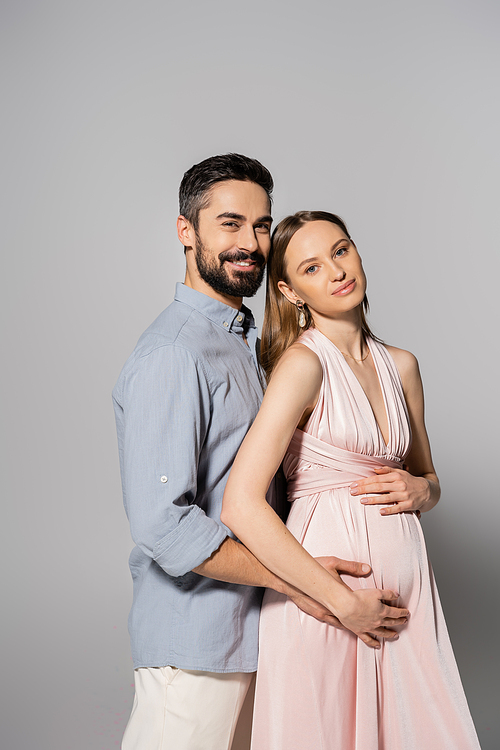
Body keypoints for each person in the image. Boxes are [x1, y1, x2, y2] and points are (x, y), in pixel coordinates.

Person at [112, 160, 408, 750]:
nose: (250, 244)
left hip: (267, 640)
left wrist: (420, 487)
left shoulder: (252, 344)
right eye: (229, 224)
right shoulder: (174, 353)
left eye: (261, 225)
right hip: (197, 645)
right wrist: (304, 584)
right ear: (185, 231)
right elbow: (163, 526)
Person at [221, 211, 481, 749]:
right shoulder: (303, 366)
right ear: (291, 292)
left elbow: (427, 477)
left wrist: (424, 490)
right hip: (329, 605)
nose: (337, 271)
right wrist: (339, 601)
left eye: (341, 251)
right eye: (313, 267)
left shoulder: (402, 365)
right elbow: (240, 503)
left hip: (406, 607)